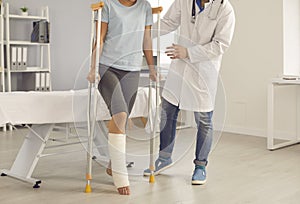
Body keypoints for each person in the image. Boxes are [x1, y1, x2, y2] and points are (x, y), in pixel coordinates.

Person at [144, 0, 235, 185]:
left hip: (203, 69)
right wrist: (146, 33)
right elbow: (168, 22)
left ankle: (200, 166)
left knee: (204, 120)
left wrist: (189, 52)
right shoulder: (184, 1)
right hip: (179, 67)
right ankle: (164, 158)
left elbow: (220, 45)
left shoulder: (225, 9)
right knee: (167, 111)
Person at [87, 0, 156, 195]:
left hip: (132, 69)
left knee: (124, 120)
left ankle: (112, 163)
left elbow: (147, 39)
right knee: (120, 114)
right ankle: (119, 173)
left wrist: (151, 67)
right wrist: (93, 67)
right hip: (107, 66)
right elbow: (99, 38)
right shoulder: (108, 4)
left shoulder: (145, 7)